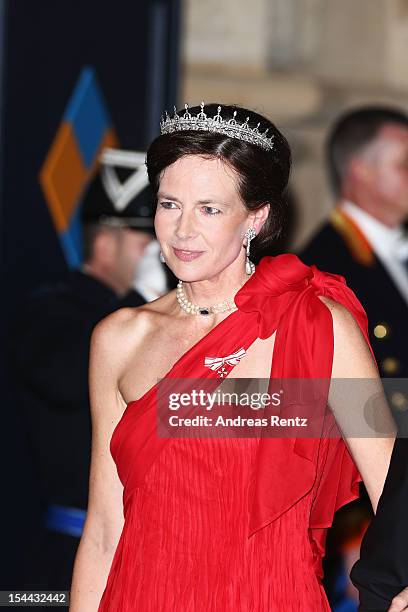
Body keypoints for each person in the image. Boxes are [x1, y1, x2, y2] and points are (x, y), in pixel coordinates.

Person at [69, 103, 396, 611]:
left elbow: (393, 490)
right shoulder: (120, 338)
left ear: (256, 217)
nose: (182, 230)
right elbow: (106, 529)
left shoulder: (317, 325)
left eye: (209, 208)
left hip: (270, 596)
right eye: (169, 204)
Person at [9, 152, 157, 592]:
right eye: (146, 243)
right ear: (105, 243)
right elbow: (65, 377)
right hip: (73, 552)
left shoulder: (176, 317)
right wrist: (140, 301)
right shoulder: (52, 310)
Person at [299, 106, 408, 611]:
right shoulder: (325, 267)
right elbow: (325, 411)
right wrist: (359, 529)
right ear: (360, 172)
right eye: (404, 165)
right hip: (373, 515)